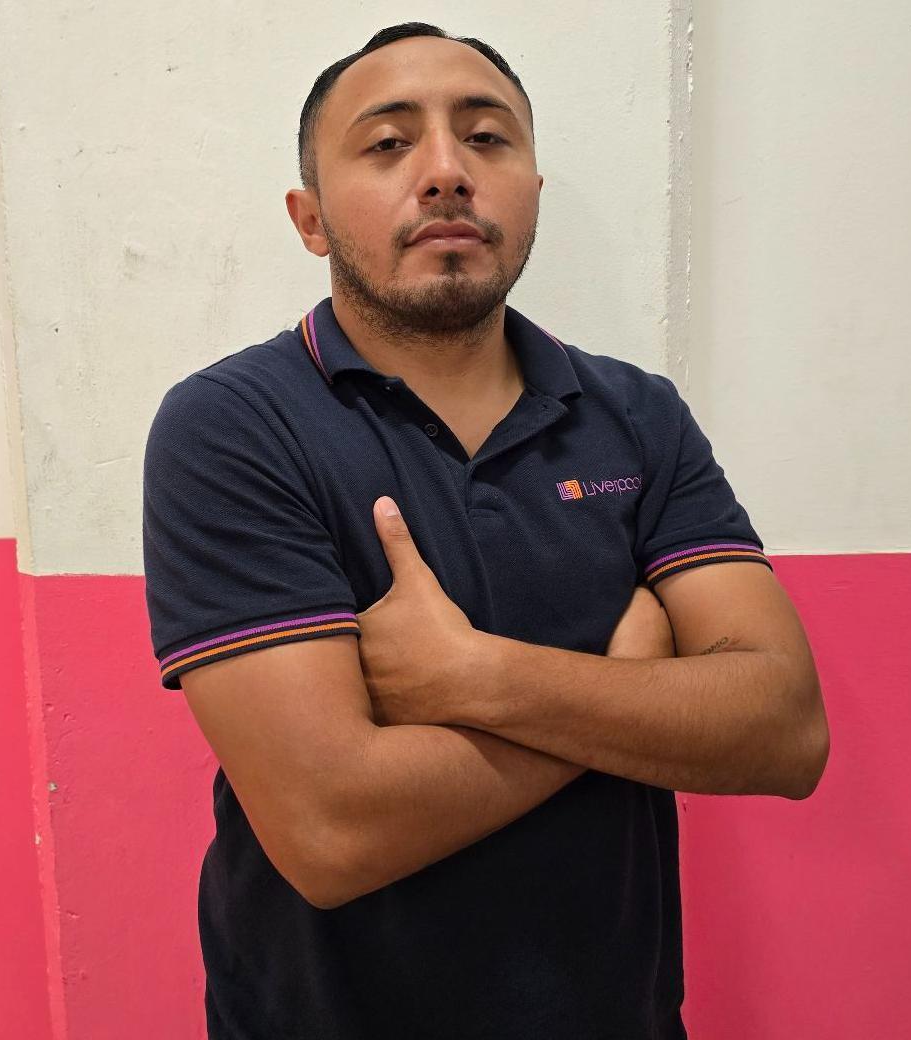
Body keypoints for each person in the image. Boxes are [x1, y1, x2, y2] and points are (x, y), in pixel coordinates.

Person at [142, 21, 829, 1039]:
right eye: (388, 143)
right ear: (310, 218)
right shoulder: (234, 425)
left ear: (530, 192)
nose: (445, 171)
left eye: (486, 138)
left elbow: (784, 731)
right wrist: (623, 686)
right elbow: (332, 830)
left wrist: (475, 677)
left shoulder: (636, 415)